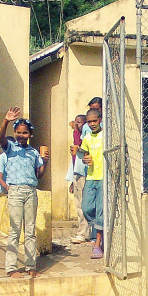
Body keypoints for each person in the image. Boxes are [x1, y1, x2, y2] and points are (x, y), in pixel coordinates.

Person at [0, 107, 46, 279]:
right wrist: (6, 121)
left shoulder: (33, 153)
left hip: (30, 191)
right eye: (18, 132)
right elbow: (1, 138)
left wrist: (44, 161)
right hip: (15, 191)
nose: (21, 135)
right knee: (15, 230)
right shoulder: (10, 148)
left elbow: (38, 174)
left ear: (30, 134)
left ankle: (31, 266)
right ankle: (11, 268)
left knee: (30, 231)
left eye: (24, 133)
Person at [79, 108, 106, 259]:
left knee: (101, 210)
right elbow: (84, 154)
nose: (92, 124)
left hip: (103, 177)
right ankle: (101, 230)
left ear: (100, 120)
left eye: (94, 120)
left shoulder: (106, 136)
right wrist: (84, 159)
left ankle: (98, 244)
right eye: (89, 121)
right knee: (87, 208)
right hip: (91, 177)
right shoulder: (87, 138)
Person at [65, 114, 91, 244]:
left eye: (79, 122)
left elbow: (83, 148)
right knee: (79, 204)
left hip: (87, 175)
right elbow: (74, 161)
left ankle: (84, 233)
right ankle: (84, 232)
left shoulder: (86, 138)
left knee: (85, 205)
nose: (77, 125)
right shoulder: (78, 141)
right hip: (78, 174)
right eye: (76, 122)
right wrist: (72, 179)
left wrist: (75, 130)